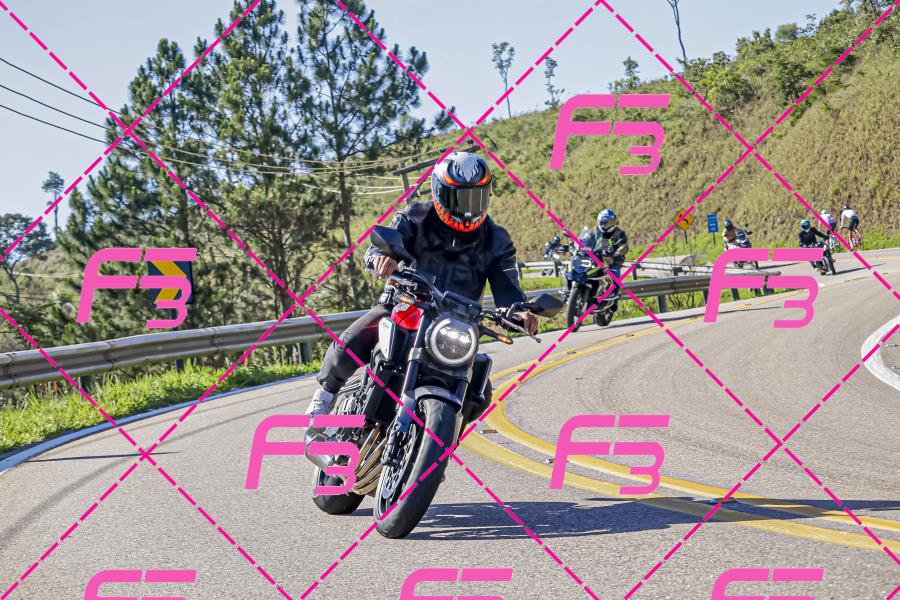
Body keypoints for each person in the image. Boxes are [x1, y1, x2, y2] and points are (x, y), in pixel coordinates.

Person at [305, 152, 537, 421]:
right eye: (459, 198)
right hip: (406, 306)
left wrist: (519, 311)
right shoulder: (416, 217)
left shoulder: (496, 238)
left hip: (456, 324)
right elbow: (381, 246)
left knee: (479, 394)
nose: (468, 208)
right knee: (357, 336)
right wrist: (382, 257)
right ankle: (324, 397)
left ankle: (442, 435)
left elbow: (507, 285)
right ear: (439, 192)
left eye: (476, 197)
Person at [592, 209, 628, 302]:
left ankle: (614, 291)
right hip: (598, 257)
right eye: (603, 223)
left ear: (614, 222)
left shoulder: (619, 233)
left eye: (607, 223)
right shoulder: (596, 231)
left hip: (613, 259)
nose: (604, 225)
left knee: (614, 270)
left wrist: (616, 254)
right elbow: (588, 240)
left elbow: (623, 246)